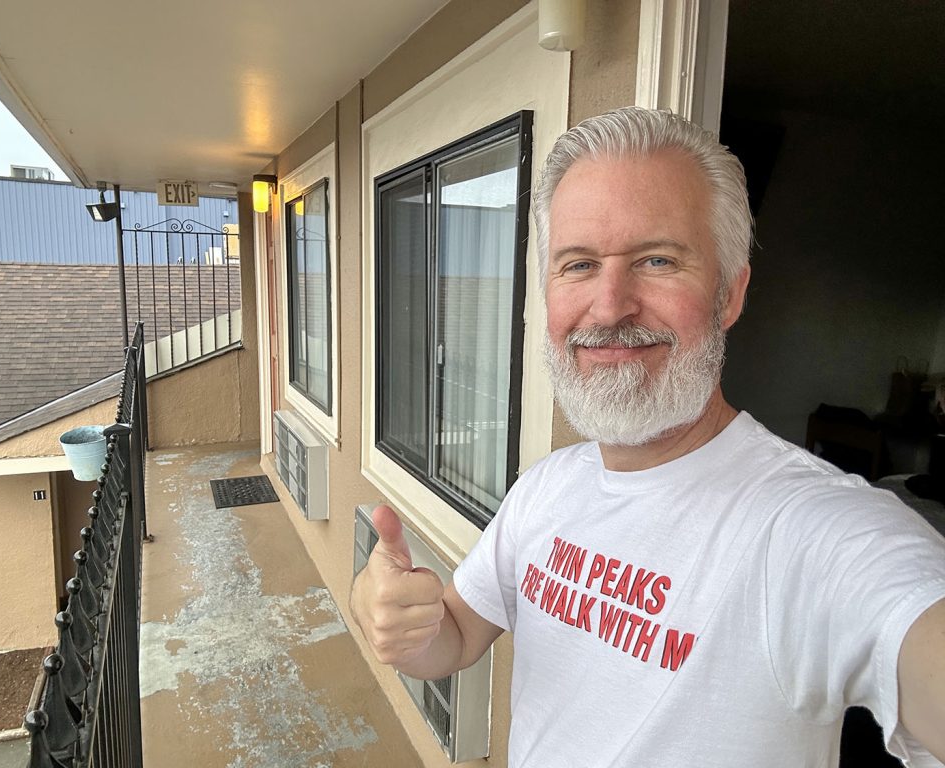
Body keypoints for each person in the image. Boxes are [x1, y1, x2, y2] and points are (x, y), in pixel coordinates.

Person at [349, 107, 945, 767]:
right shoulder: (547, 487)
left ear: (729, 295)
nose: (609, 307)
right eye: (578, 265)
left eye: (657, 259)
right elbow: (456, 635)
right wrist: (389, 610)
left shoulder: (816, 528)